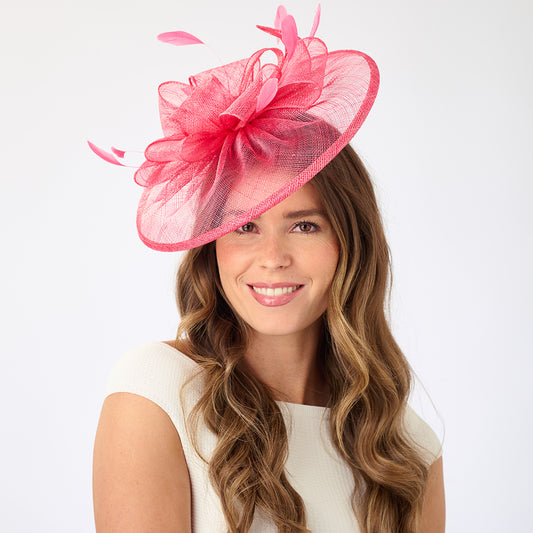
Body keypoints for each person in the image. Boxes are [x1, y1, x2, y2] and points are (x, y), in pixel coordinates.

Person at [91, 6, 445, 533]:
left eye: (304, 225)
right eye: (244, 226)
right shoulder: (158, 390)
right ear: (212, 247)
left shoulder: (407, 449)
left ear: (350, 241)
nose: (273, 257)